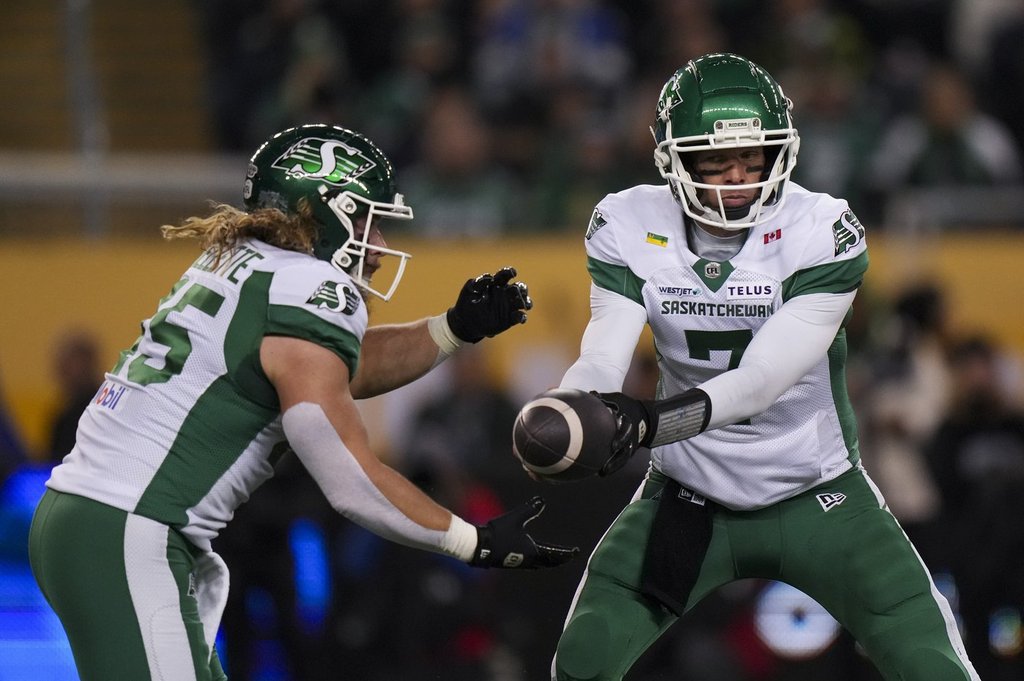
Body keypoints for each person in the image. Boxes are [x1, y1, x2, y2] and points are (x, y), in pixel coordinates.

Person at [26, 123, 578, 681]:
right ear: (323, 211)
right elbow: (349, 480)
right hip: (129, 528)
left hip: (96, 519)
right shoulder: (312, 288)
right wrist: (473, 541)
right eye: (367, 219)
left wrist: (452, 329)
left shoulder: (249, 264)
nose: (379, 244)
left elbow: (338, 370)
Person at [550, 53, 979, 681]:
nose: (735, 178)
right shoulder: (628, 221)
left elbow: (758, 383)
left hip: (818, 493)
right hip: (688, 499)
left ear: (780, 153)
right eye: (715, 161)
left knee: (931, 664)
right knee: (583, 660)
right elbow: (603, 356)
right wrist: (566, 411)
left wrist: (643, 425)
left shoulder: (820, 228)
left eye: (751, 158)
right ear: (674, 160)